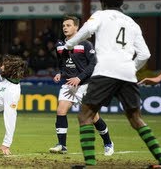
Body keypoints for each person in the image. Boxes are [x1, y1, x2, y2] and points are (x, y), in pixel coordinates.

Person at [64, 0, 161, 167]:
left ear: (102, 2)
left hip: (105, 71)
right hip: (127, 73)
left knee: (86, 115)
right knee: (136, 119)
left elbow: (86, 31)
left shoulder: (101, 15)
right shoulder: (132, 23)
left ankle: (90, 164)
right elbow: (145, 54)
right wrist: (130, 68)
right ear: (121, 3)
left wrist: (69, 44)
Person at [49, 16, 114, 156]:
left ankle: (108, 143)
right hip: (68, 84)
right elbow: (62, 63)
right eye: (63, 26)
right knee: (61, 111)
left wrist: (79, 77)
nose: (65, 28)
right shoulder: (60, 45)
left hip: (85, 85)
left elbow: (93, 64)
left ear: (76, 27)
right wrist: (60, 73)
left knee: (93, 117)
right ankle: (62, 145)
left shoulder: (85, 44)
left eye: (68, 25)